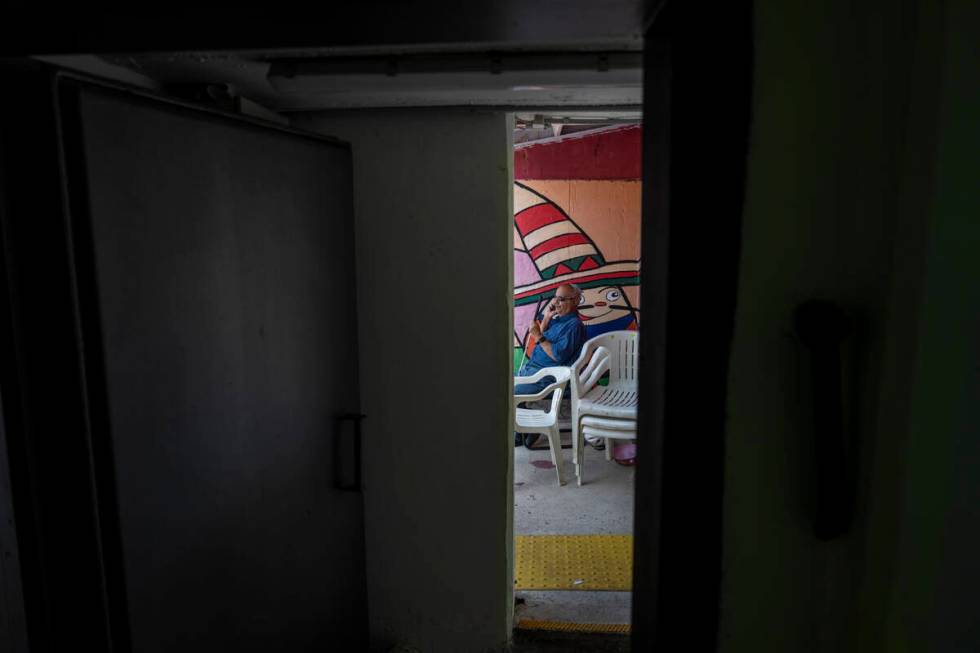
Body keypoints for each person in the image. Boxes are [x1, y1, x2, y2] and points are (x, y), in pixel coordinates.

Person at [514, 284, 587, 446]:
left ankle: (530, 429)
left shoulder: (574, 325)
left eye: (562, 299)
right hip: (534, 371)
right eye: (556, 298)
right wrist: (546, 318)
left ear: (575, 301)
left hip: (549, 379)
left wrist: (538, 335)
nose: (556, 303)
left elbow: (557, 355)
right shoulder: (558, 320)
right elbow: (545, 337)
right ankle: (525, 431)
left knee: (510, 391)